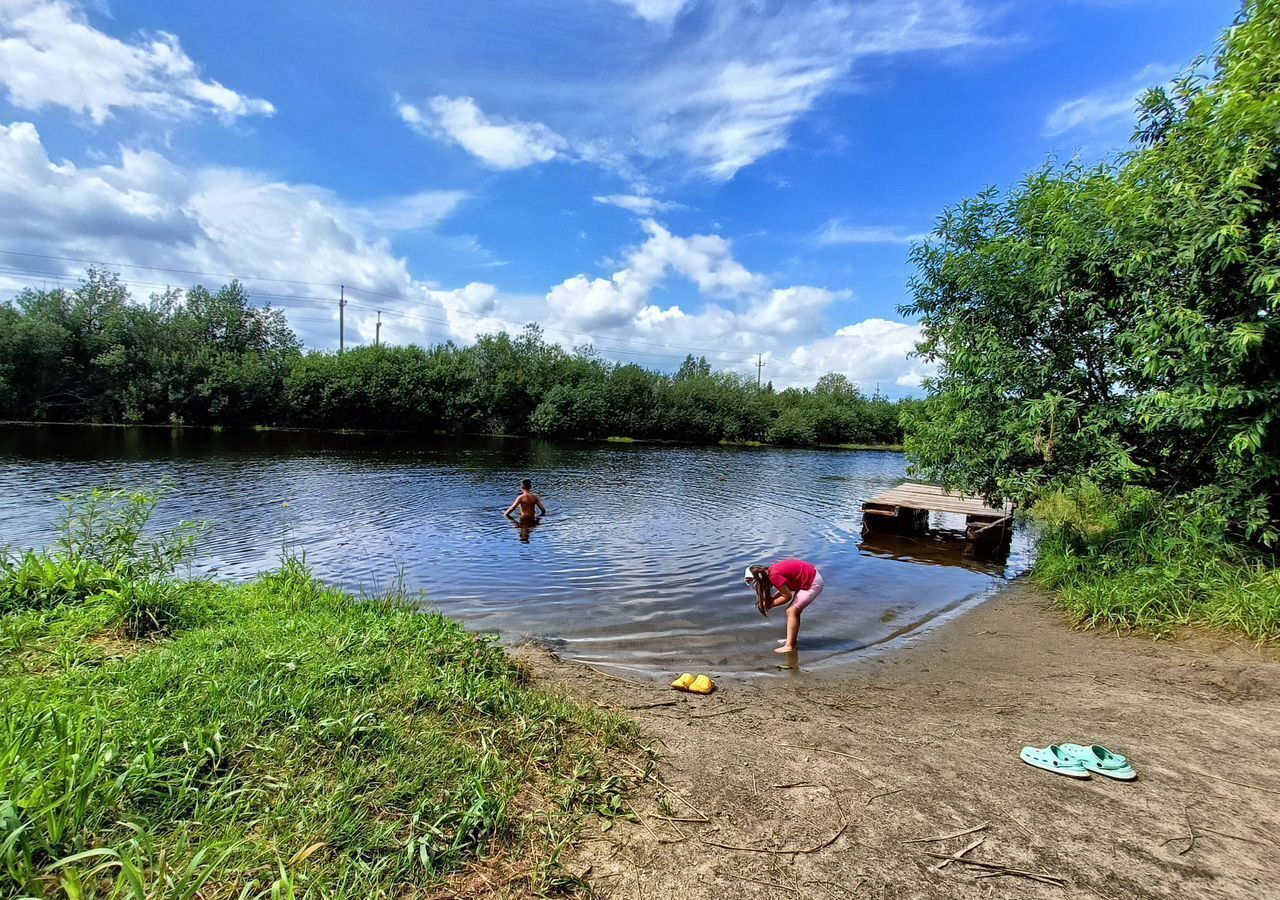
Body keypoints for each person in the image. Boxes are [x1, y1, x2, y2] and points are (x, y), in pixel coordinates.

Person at [744, 559, 824, 653]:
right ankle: (791, 640)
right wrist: (771, 599)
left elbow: (787, 596)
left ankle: (790, 646)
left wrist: (770, 605)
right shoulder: (771, 571)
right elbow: (784, 590)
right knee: (793, 611)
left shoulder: (774, 576)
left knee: (791, 611)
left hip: (812, 582)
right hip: (810, 575)